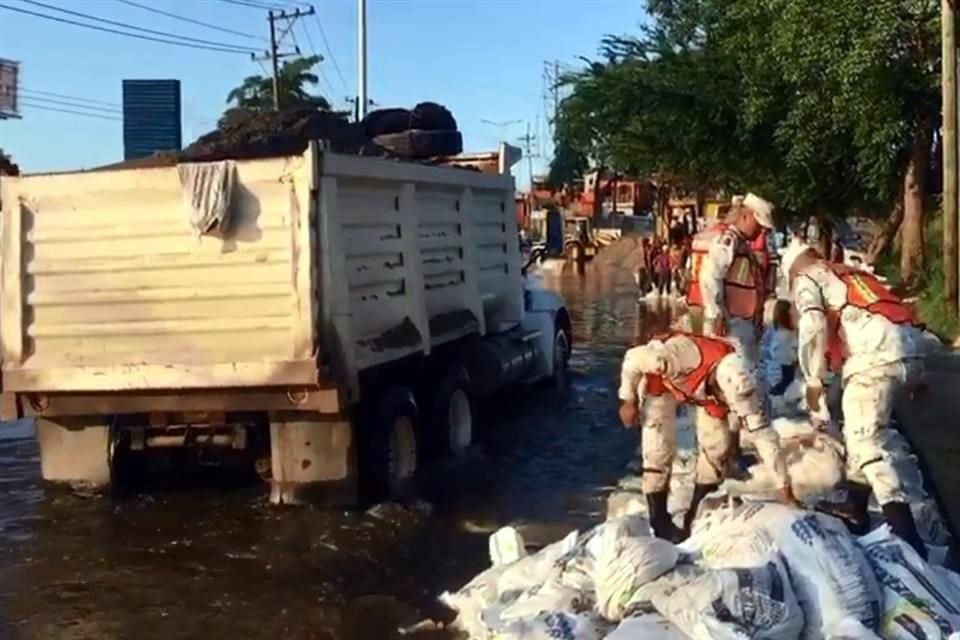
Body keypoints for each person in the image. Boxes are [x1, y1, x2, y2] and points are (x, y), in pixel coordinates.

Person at [780, 241, 932, 557]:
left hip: (876, 354)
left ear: (793, 270)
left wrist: (812, 379)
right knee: (860, 426)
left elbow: (812, 324)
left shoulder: (807, 277)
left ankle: (906, 536)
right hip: (910, 348)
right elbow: (893, 311)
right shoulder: (852, 274)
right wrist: (919, 374)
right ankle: (856, 504)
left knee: (866, 440)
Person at [618, 331, 796, 541]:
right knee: (658, 448)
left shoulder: (743, 383)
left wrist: (784, 488)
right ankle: (660, 523)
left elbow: (764, 437)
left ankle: (694, 517)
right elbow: (632, 358)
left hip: (704, 394)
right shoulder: (672, 357)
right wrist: (627, 400)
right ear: (717, 384)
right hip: (663, 382)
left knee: (717, 447)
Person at [687, 193, 775, 363]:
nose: (762, 231)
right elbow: (711, 276)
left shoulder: (741, 244)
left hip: (740, 322)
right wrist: (716, 313)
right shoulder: (728, 241)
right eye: (759, 225)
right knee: (735, 375)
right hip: (730, 324)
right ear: (745, 216)